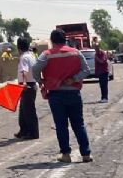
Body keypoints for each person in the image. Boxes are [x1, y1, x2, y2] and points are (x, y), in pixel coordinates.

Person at [32, 29, 92, 163]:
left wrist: (41, 81)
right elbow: (86, 70)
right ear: (65, 39)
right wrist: (75, 79)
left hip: (56, 94)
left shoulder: (46, 54)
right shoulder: (76, 52)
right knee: (79, 124)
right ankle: (86, 154)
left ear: (52, 41)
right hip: (73, 92)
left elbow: (35, 69)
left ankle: (66, 154)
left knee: (61, 125)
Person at [15, 37, 39, 140]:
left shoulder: (24, 57)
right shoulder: (31, 56)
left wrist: (24, 83)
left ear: (19, 47)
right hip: (31, 84)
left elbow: (24, 71)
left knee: (29, 111)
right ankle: (23, 130)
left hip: (27, 86)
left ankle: (33, 133)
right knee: (23, 110)